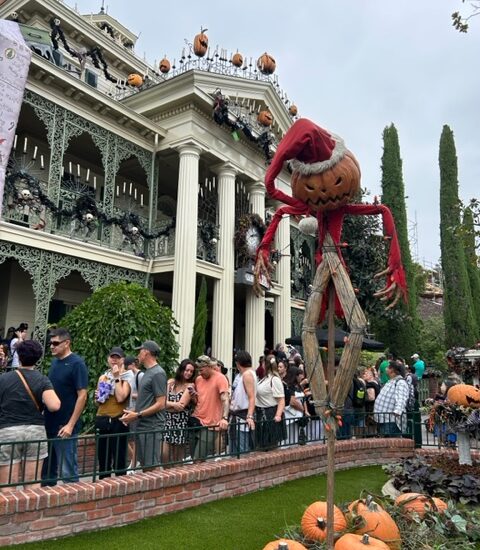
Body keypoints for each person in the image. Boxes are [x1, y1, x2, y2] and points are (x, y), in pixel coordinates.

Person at [0, 340, 61, 490]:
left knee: (8, 483)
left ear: (19, 356)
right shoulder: (42, 379)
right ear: (38, 358)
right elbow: (54, 405)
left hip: (8, 430)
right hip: (35, 431)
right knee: (32, 481)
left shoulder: (4, 379)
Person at [41, 328, 88, 486]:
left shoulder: (77, 364)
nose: (52, 347)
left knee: (68, 471)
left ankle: (74, 507)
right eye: (50, 344)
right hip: (49, 422)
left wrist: (70, 424)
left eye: (55, 343)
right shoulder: (55, 362)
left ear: (67, 343)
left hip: (65, 426)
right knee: (47, 471)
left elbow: (82, 395)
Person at [120, 340, 167, 471]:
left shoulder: (158, 373)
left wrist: (137, 415)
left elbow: (161, 404)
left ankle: (160, 491)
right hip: (143, 425)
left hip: (152, 426)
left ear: (146, 352)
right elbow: (146, 401)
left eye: (140, 351)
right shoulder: (148, 372)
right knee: (146, 466)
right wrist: (132, 412)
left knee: (153, 466)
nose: (138, 355)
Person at [94, 347, 134, 478]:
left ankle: (120, 491)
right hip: (102, 419)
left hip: (118, 420)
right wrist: (98, 397)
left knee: (119, 460)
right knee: (103, 459)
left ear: (123, 360)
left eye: (118, 357)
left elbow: (121, 397)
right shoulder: (103, 377)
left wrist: (117, 377)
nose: (114, 360)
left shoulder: (128, 376)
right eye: (112, 357)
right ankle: (103, 489)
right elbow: (97, 403)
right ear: (108, 359)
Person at [189, 355, 229, 461]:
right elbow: (199, 400)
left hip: (210, 425)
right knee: (193, 459)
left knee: (198, 459)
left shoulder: (220, 378)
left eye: (201, 370)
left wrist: (224, 418)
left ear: (209, 367)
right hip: (196, 421)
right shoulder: (198, 379)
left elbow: (225, 399)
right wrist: (193, 396)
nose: (199, 373)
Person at [163, 359, 195, 464]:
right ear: (181, 370)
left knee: (177, 461)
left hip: (180, 424)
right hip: (167, 422)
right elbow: (161, 402)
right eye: (187, 370)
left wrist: (168, 405)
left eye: (191, 371)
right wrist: (173, 405)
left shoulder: (190, 386)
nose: (189, 373)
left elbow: (181, 406)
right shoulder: (171, 383)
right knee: (164, 456)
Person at [255, 355, 286, 450]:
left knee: (270, 447)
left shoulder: (275, 380)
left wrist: (278, 415)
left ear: (265, 365)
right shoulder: (264, 379)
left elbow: (281, 400)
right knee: (260, 446)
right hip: (260, 414)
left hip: (270, 414)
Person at [229, 351, 256, 454]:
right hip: (237, 418)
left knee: (241, 454)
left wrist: (249, 416)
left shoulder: (247, 375)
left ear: (238, 363)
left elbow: (251, 397)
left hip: (241, 418)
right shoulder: (245, 374)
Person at [373, 360, 409, 437]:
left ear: (392, 370)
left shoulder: (400, 383)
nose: (386, 368)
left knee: (392, 445)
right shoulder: (391, 381)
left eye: (388, 367)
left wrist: (397, 411)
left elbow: (401, 399)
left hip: (391, 420)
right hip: (384, 419)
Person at [124, 356, 143, 471]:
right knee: (129, 438)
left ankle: (134, 463)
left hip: (136, 410)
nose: (126, 369)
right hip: (128, 409)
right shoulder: (130, 376)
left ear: (132, 365)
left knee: (134, 438)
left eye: (127, 366)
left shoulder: (140, 375)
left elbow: (144, 394)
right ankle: (134, 461)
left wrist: (131, 394)